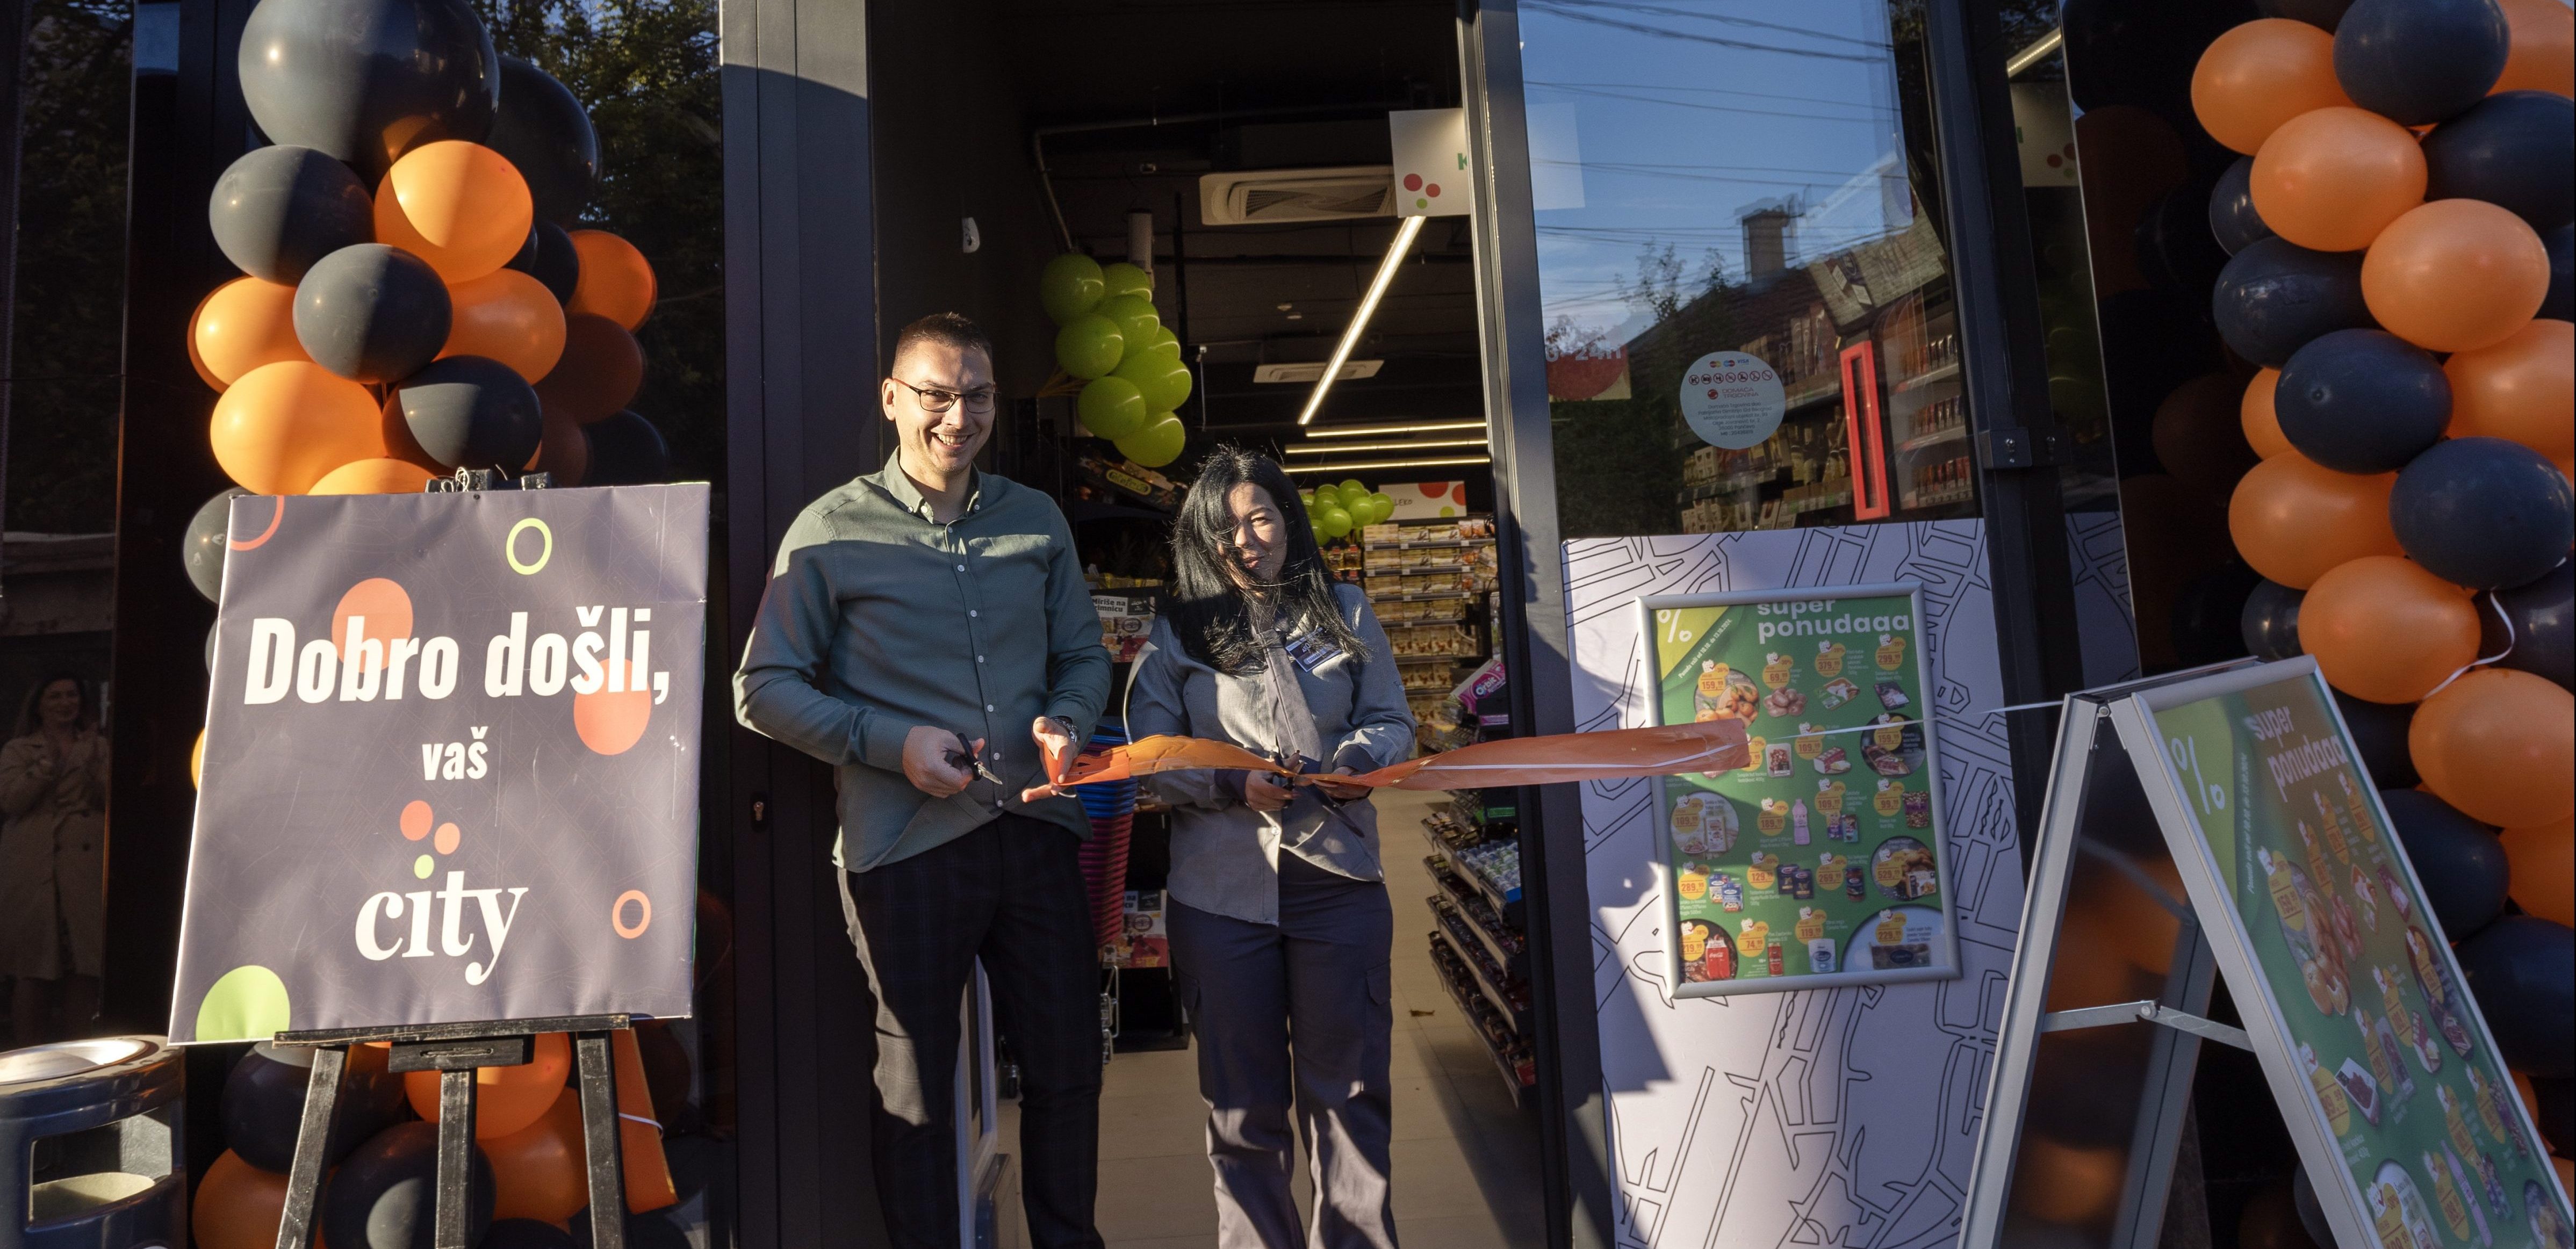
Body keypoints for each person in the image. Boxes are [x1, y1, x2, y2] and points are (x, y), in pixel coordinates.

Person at [734, 313, 1112, 1249]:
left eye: (975, 394)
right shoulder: (827, 532)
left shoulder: (1036, 519)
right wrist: (887, 743)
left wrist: (1065, 719)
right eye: (936, 394)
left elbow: (1082, 654)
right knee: (914, 1090)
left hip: (1034, 830)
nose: (957, 415)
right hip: (903, 846)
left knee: (1068, 1068)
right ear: (892, 398)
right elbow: (762, 688)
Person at [1122, 447, 1416, 1249]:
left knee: (1350, 1096)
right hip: (1221, 893)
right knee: (1241, 1108)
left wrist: (1357, 760)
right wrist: (1229, 784)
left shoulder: (1343, 608)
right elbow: (1151, 749)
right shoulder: (1179, 629)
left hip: (1337, 879)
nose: (1245, 539)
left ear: (1288, 521)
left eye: (1260, 517)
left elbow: (1391, 718)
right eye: (1225, 527)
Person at [0, 675, 108, 1048]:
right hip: (35, 867)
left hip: (83, 869)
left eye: (72, 695)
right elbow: (11, 801)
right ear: (39, 703)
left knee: (84, 966)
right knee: (32, 968)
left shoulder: (99, 746)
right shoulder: (18, 749)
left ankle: (80, 1054)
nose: (66, 703)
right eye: (56, 696)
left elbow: (114, 797)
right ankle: (27, 1055)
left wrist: (94, 763)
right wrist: (46, 764)